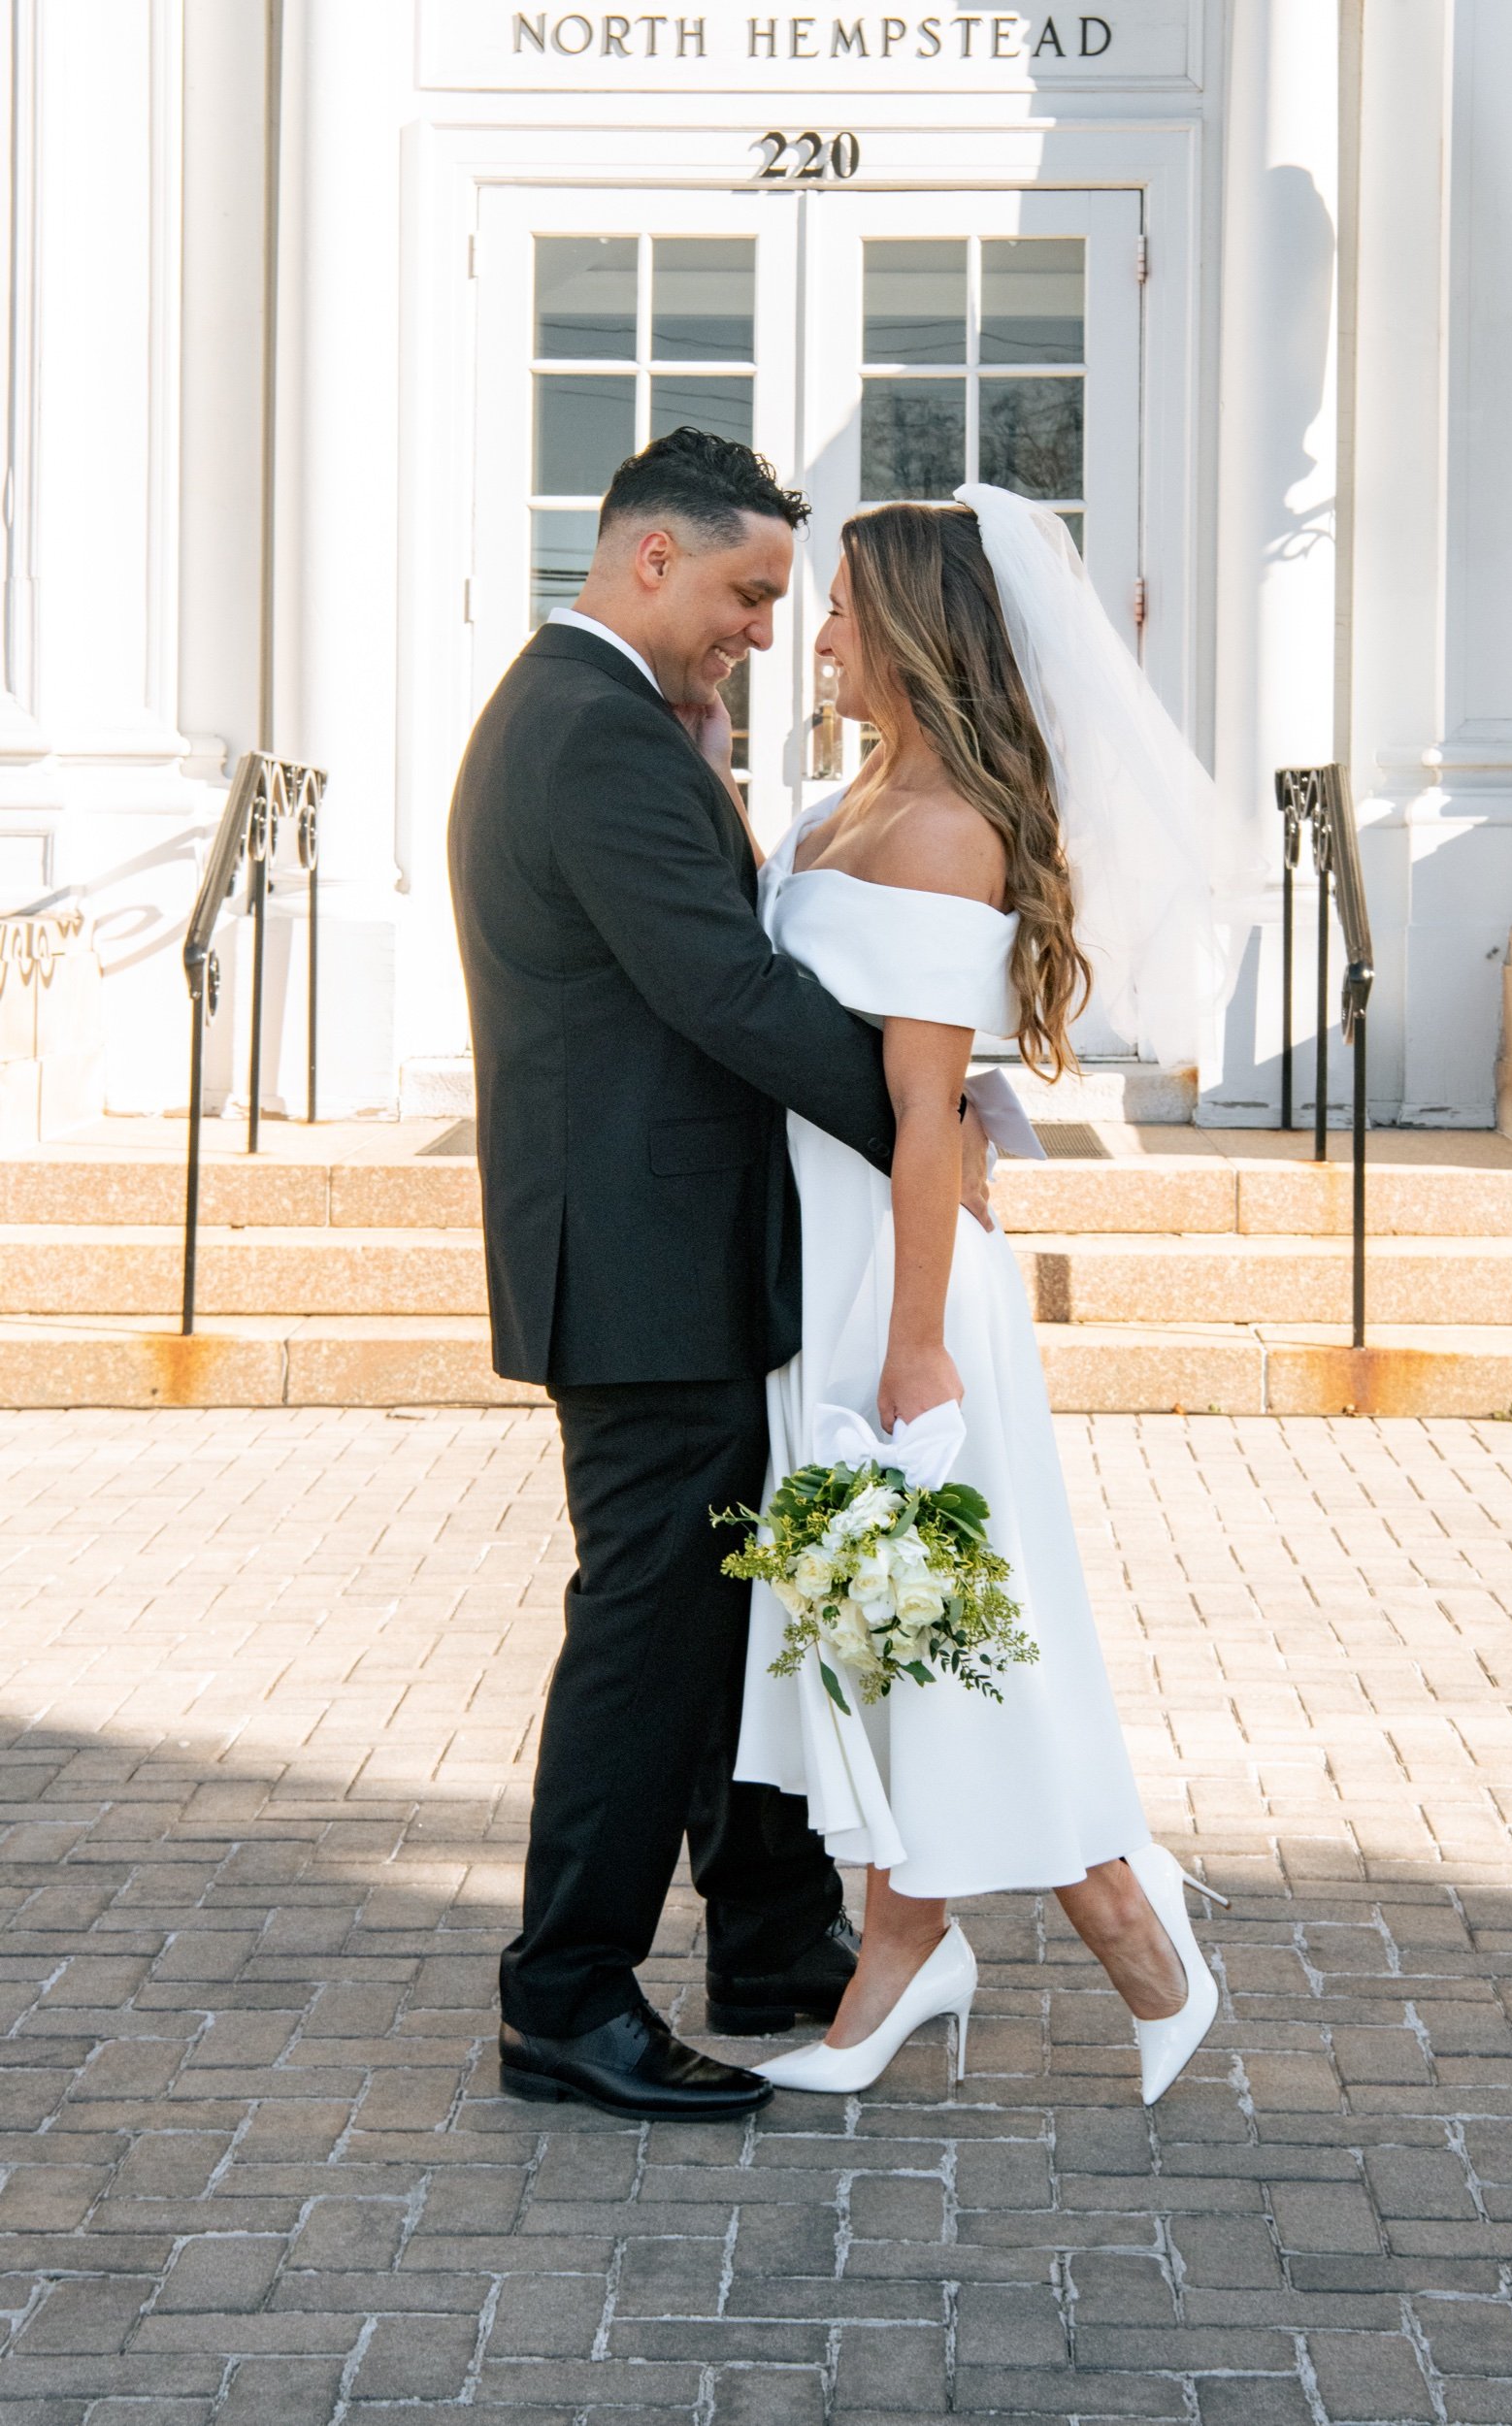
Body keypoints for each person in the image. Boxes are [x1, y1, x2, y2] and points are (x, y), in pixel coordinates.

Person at [446, 430, 991, 2124]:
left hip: (668, 1248)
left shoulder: (613, 719)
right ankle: (566, 1998)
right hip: (637, 1262)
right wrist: (929, 1127)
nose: (767, 624)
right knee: (646, 1637)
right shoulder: (592, 736)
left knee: (730, 1613)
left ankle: (769, 1937)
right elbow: (722, 996)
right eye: (752, 591)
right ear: (652, 558)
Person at [733, 493, 1233, 2105]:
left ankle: (1122, 1923)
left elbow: (927, 1117)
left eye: (839, 613)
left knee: (957, 1626)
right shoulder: (848, 798)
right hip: (826, 1269)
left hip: (901, 1278)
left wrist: (916, 1345)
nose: (813, 638)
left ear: (912, 632)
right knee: (882, 1631)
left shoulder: (945, 828)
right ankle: (905, 1955)